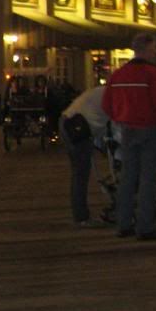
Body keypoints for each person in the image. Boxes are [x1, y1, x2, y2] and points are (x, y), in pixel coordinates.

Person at [102, 33, 156, 240]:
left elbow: (106, 105)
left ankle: (123, 224)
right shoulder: (152, 74)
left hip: (127, 129)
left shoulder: (118, 75)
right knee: (147, 179)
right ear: (146, 49)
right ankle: (145, 227)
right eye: (154, 49)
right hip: (151, 129)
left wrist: (120, 118)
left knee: (127, 177)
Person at [59, 87, 109, 228]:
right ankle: (81, 216)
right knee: (81, 173)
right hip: (78, 126)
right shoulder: (112, 95)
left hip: (69, 120)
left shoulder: (102, 91)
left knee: (78, 172)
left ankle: (80, 215)